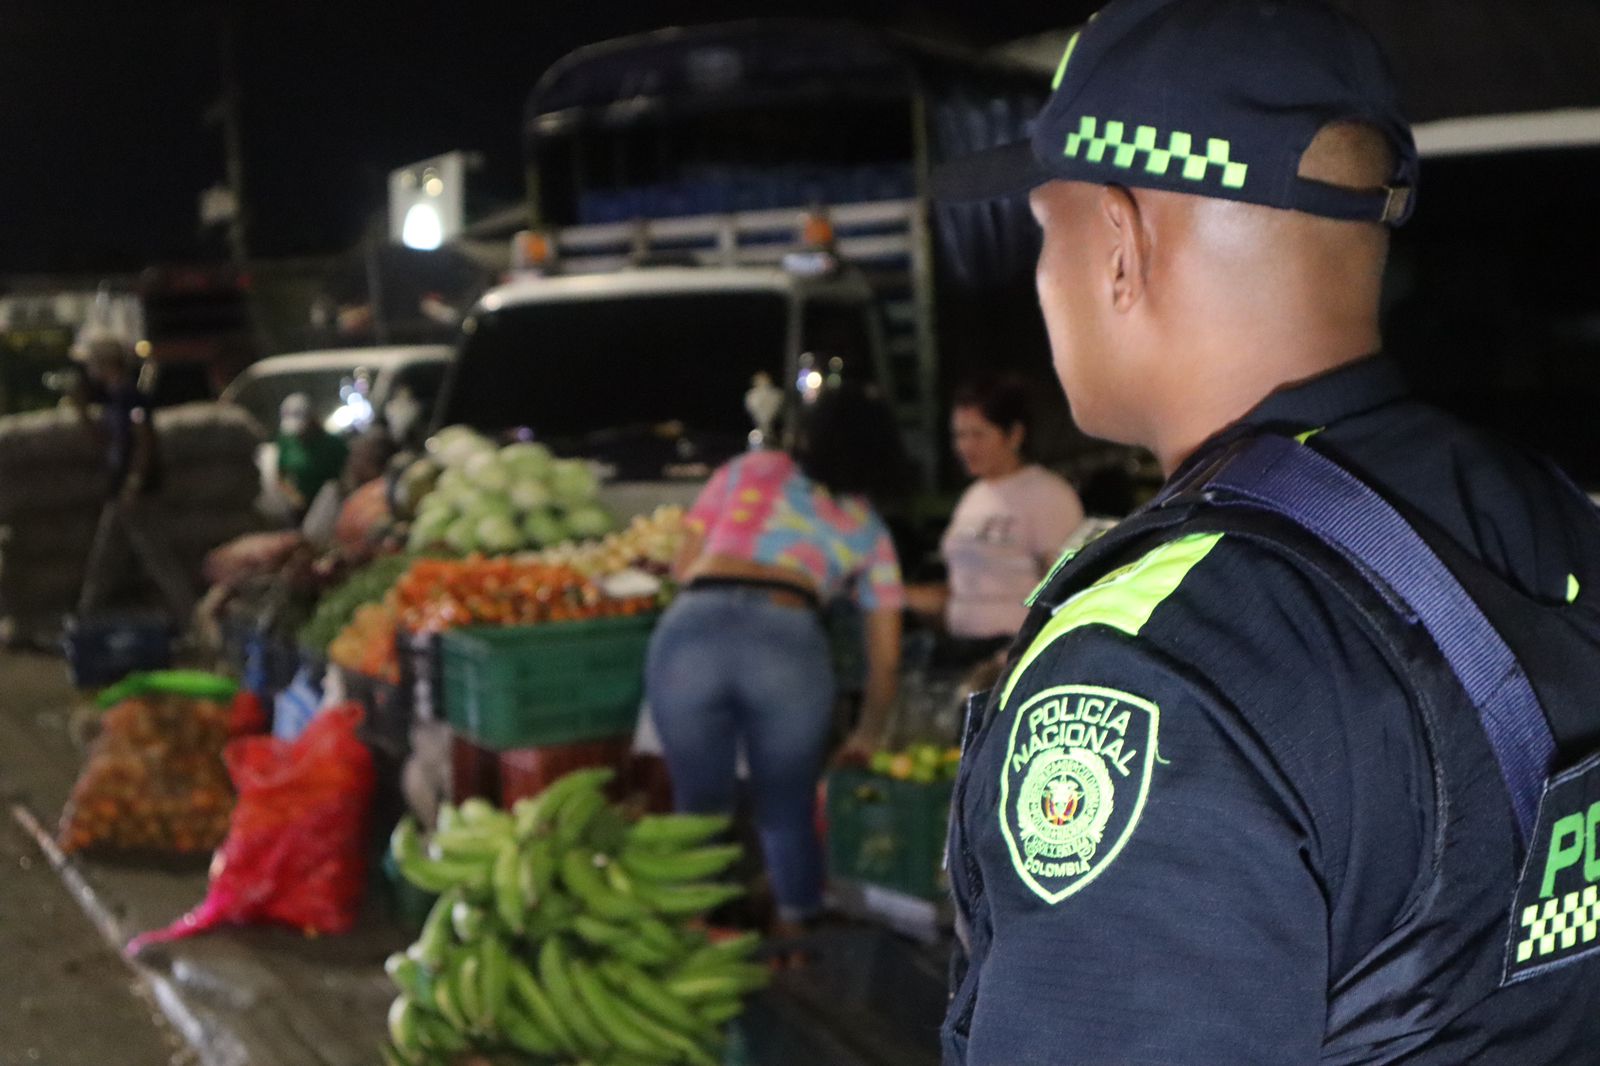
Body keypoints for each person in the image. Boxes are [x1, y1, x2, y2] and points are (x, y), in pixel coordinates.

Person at [932, 0, 1600, 1062]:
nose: (1040, 282)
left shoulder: (1155, 665)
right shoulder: (1546, 510)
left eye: (1043, 234)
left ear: (1117, 241)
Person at [646, 384, 908, 937]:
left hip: (689, 630)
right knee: (785, 810)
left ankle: (691, 945)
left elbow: (683, 560)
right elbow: (885, 657)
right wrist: (869, 731)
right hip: (786, 640)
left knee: (698, 807)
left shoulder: (751, 469)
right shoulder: (870, 530)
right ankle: (796, 947)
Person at [907, 375, 1084, 661]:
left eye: (977, 434)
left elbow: (1063, 590)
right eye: (958, 435)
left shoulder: (1048, 495)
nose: (964, 446)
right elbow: (960, 591)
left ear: (1014, 434)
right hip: (959, 652)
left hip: (1013, 654)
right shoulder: (972, 497)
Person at [72, 336, 195, 622]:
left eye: (93, 363)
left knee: (157, 560)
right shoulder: (113, 399)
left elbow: (144, 442)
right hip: (120, 491)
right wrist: (82, 415)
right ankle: (85, 618)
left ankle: (193, 619)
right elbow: (107, 442)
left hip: (136, 493)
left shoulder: (132, 398)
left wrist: (134, 483)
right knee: (103, 560)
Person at [275, 392, 348, 520]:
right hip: (299, 509)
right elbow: (281, 475)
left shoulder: (333, 445)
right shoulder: (287, 442)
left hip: (329, 509)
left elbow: (346, 476)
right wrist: (293, 497)